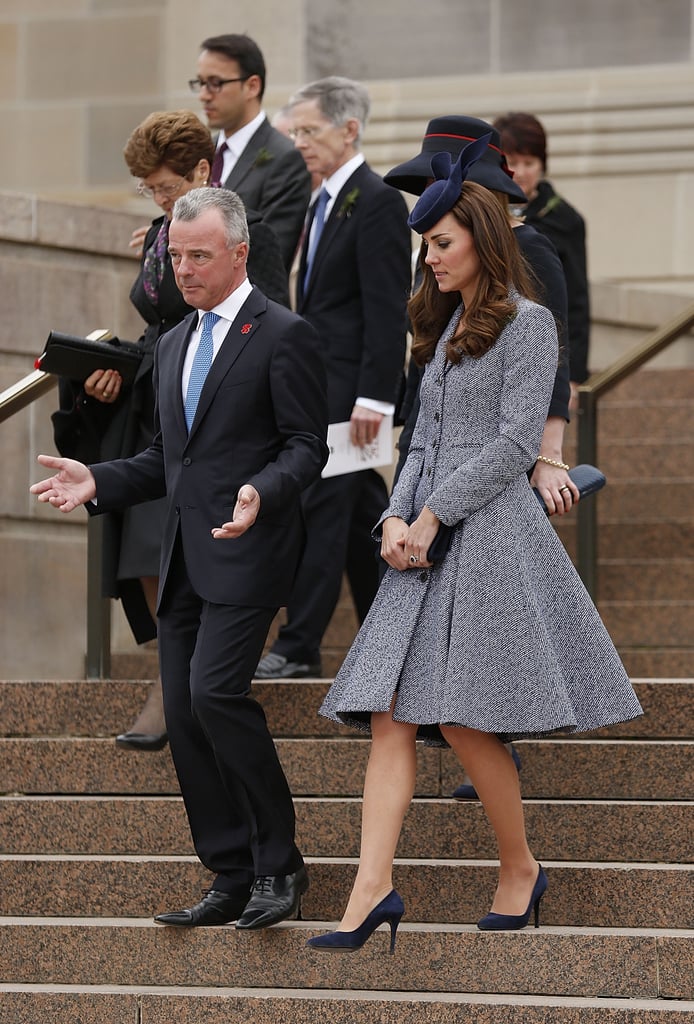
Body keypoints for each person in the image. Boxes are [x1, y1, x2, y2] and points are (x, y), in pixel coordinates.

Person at [305, 143, 642, 951]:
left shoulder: (528, 324)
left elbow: (514, 443)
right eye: (427, 245)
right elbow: (422, 440)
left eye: (442, 243)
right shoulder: (447, 325)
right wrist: (395, 515)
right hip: (423, 535)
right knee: (390, 717)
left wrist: (434, 517)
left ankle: (520, 868)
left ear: (483, 240)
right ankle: (371, 890)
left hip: (487, 532)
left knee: (461, 724)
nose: (431, 257)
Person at [33, 188, 329, 930]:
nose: (185, 269)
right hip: (183, 560)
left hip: (248, 549)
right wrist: (99, 479)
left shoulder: (283, 333)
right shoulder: (170, 344)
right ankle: (230, 871)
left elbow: (307, 446)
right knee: (189, 720)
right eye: (175, 255)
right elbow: (168, 459)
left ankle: (280, 864)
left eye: (200, 255)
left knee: (215, 697)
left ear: (239, 253)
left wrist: (264, 489)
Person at [52, 110, 290, 752]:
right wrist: (112, 370)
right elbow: (170, 324)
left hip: (226, 411)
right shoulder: (164, 233)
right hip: (160, 391)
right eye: (149, 189)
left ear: (201, 172)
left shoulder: (243, 237)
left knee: (178, 534)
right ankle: (169, 673)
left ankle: (193, 676)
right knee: (146, 538)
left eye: (164, 186)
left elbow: (255, 328)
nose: (158, 199)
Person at [384, 114, 574, 800]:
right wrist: (403, 497)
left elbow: (548, 359)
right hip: (436, 448)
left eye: (444, 180)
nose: (434, 192)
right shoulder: (437, 265)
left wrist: (549, 451)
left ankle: (488, 744)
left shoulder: (530, 259)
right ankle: (475, 739)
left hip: (496, 462)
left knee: (491, 629)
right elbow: (431, 371)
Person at [255, 76, 412, 681]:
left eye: (309, 131)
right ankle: (391, 632)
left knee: (323, 505)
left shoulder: (375, 201)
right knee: (360, 511)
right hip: (320, 389)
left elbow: (384, 307)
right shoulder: (317, 201)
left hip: (356, 398)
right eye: (293, 132)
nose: (298, 144)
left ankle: (298, 644)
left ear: (349, 130)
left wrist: (375, 398)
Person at [494, 111, 591, 407]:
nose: (520, 172)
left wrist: (573, 376)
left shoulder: (565, 219)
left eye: (529, 163)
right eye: (512, 162)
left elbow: (575, 301)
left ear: (542, 165)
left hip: (543, 351)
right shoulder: (483, 213)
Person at [192, 33, 311, 271]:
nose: (204, 94)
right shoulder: (200, 152)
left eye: (215, 83)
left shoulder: (285, 158)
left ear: (252, 86)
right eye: (200, 83)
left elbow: (270, 256)